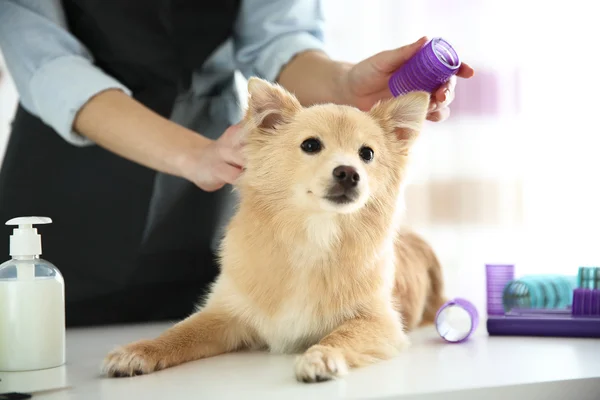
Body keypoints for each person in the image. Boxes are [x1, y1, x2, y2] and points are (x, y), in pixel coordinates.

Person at [0, 0, 473, 327]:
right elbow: (47, 62)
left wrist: (346, 84)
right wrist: (193, 154)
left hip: (204, 186)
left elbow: (279, 38)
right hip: (69, 180)